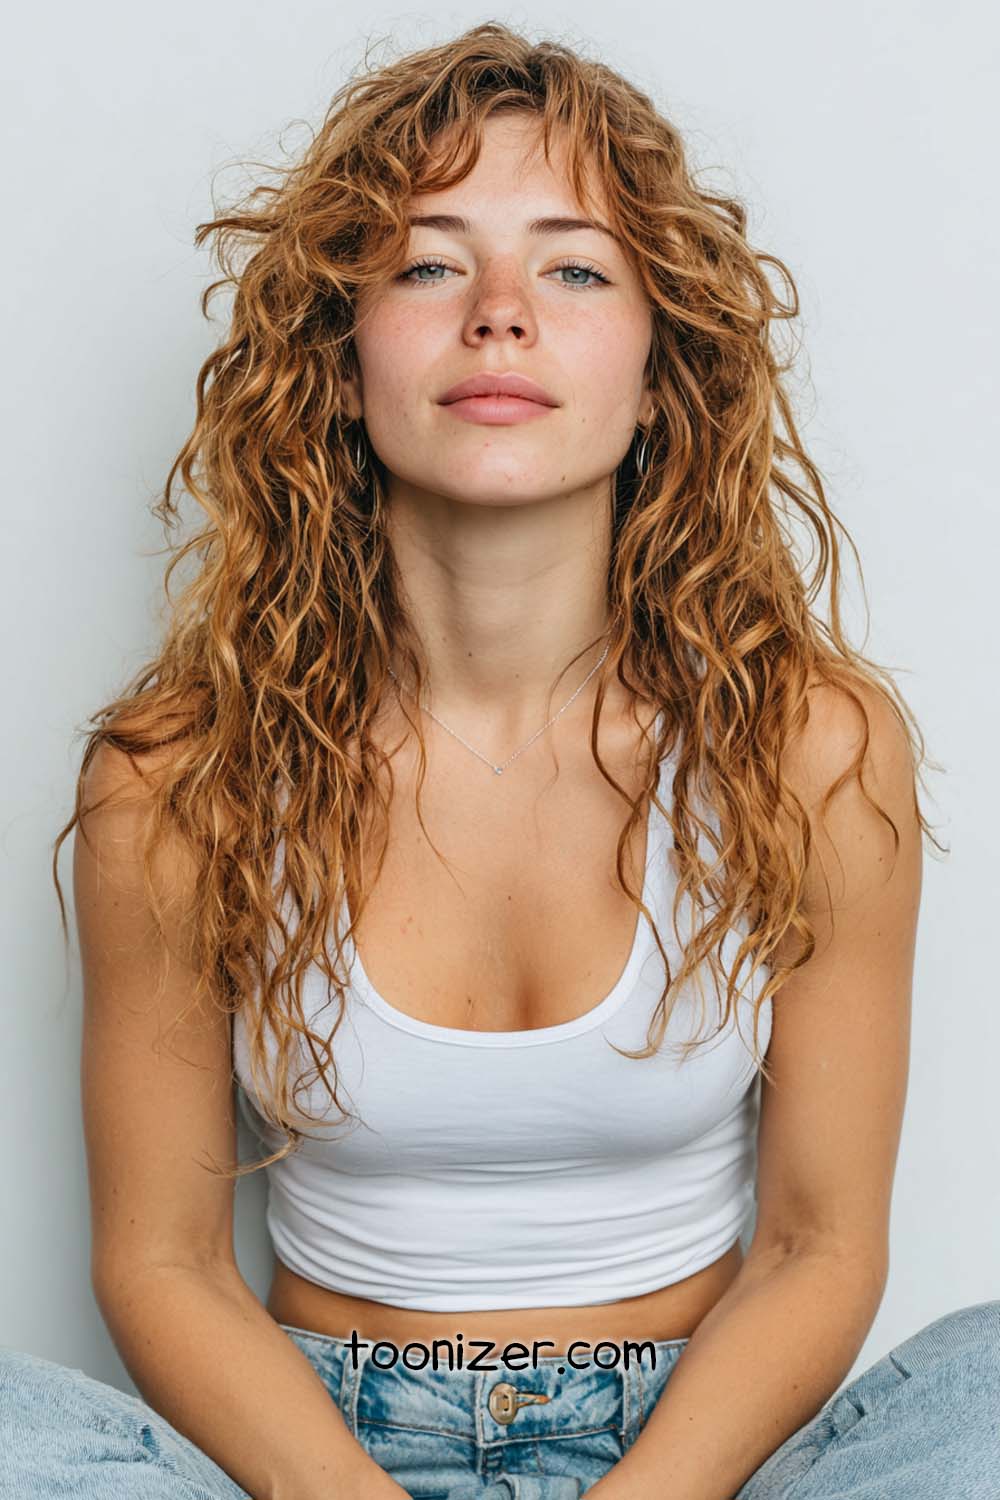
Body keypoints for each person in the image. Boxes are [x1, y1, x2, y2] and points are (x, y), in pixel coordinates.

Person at [2, 20, 997, 1500]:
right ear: (338, 365)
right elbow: (160, 1260)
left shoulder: (808, 747)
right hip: (318, 1448)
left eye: (576, 266)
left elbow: (816, 1246)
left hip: (697, 1453)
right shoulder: (177, 772)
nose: (501, 313)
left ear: (664, 377)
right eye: (428, 263)